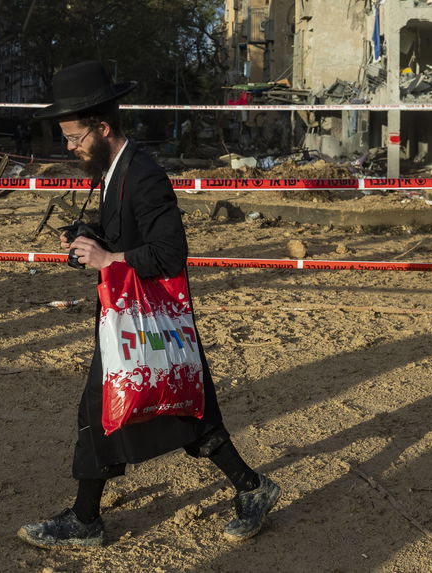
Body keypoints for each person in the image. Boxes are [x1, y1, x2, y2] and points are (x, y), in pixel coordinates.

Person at [18, 61, 280, 549]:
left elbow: (171, 253)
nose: (71, 149)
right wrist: (90, 237)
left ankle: (85, 520)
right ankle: (251, 486)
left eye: (75, 138)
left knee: (106, 410)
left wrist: (109, 256)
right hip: (129, 315)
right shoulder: (115, 168)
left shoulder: (143, 174)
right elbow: (125, 232)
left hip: (146, 316)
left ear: (102, 126)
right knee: (182, 411)